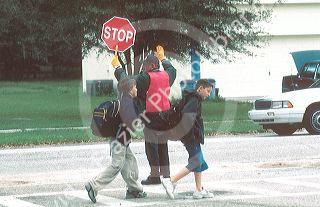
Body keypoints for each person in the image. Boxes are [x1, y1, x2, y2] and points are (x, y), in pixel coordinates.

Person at [112, 45, 176, 185]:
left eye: (146, 65)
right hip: (166, 115)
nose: (144, 68)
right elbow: (172, 70)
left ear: (151, 65)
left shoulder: (145, 77)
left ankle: (154, 176)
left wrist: (118, 68)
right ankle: (166, 175)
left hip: (150, 116)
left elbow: (127, 82)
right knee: (163, 145)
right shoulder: (167, 75)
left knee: (151, 146)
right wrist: (163, 58)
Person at [85, 78, 147, 203]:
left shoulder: (123, 100)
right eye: (135, 87)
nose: (137, 89)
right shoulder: (128, 103)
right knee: (117, 165)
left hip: (120, 138)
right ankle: (93, 185)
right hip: (120, 140)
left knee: (130, 162)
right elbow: (132, 124)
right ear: (130, 89)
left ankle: (134, 189)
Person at [160, 79, 214, 199]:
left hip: (192, 136)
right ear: (200, 88)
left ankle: (199, 190)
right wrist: (191, 133)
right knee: (196, 161)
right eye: (208, 91)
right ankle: (171, 181)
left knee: (199, 161)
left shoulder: (193, 98)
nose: (208, 94)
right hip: (191, 137)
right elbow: (187, 116)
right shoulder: (194, 100)